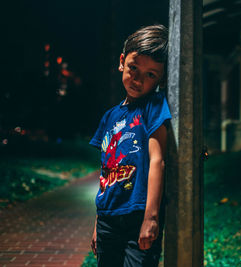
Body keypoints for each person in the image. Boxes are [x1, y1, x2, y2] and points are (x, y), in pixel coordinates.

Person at [89, 24, 171, 267]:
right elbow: (107, 170)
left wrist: (152, 218)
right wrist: (97, 223)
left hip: (138, 216)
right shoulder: (109, 117)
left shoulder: (153, 107)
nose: (138, 79)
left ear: (161, 79)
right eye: (134, 68)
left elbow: (158, 160)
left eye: (151, 75)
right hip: (107, 220)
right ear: (122, 61)